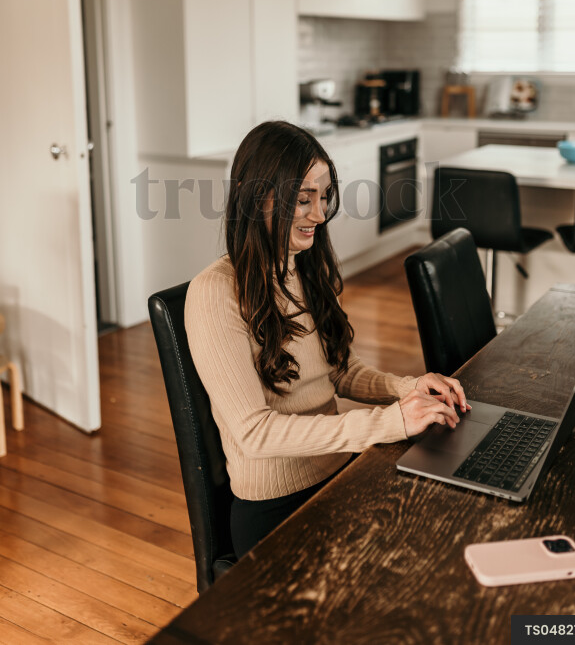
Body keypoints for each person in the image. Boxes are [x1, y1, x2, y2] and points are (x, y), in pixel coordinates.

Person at [185, 121, 469, 558]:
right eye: (303, 200)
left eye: (323, 198)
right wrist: (390, 423)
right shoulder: (214, 293)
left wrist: (409, 388)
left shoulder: (303, 267)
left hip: (338, 472)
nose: (319, 215)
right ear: (253, 197)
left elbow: (340, 370)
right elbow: (254, 433)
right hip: (278, 509)